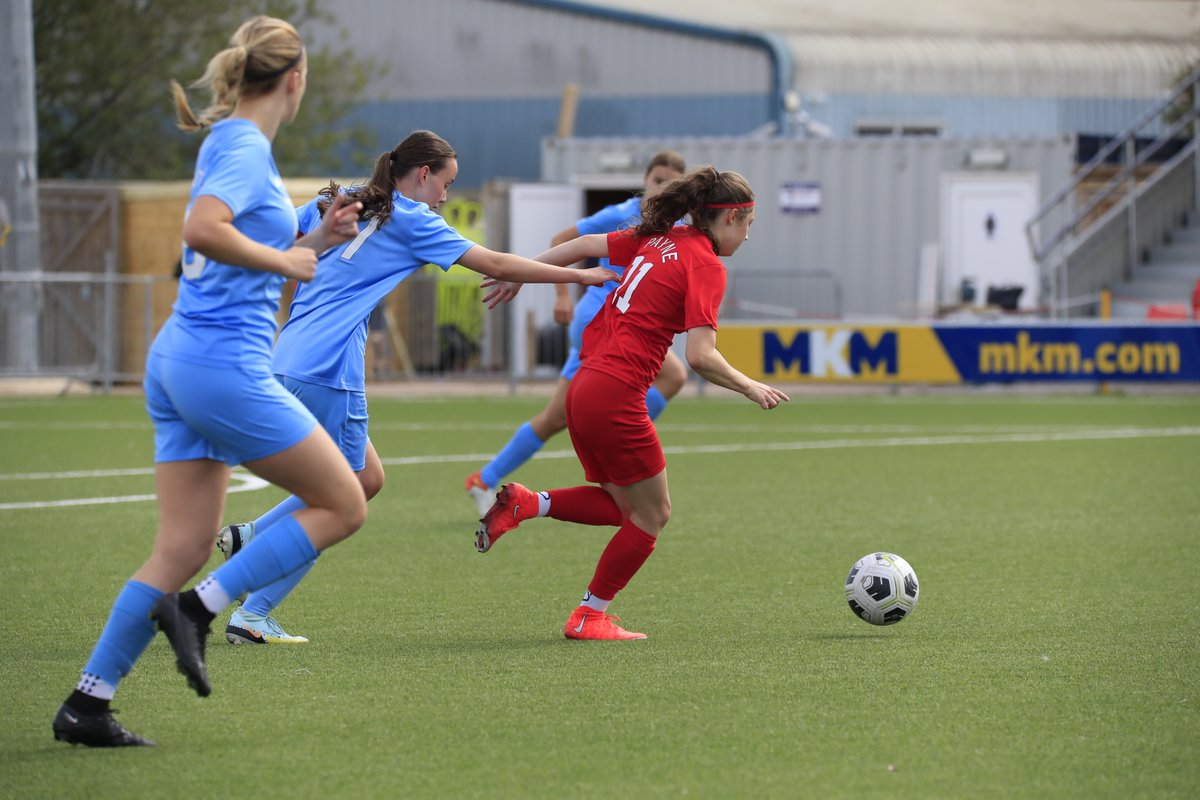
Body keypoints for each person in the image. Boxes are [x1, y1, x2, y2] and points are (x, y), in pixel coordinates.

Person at [51, 16, 370, 748]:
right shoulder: (246, 147)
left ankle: (87, 704)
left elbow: (237, 238)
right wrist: (292, 262)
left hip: (183, 358)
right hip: (220, 366)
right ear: (294, 80)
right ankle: (200, 610)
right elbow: (202, 228)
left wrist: (311, 236)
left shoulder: (228, 138)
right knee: (346, 502)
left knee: (183, 544)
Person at [215, 130, 619, 645]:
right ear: (423, 174)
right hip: (329, 372)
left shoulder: (338, 200)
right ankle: (254, 610)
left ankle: (251, 540)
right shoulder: (414, 220)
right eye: (446, 183)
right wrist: (580, 279)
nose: (446, 196)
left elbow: (276, 235)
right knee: (342, 499)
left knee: (363, 480)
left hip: (286, 359)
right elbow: (493, 264)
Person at [474, 166, 789, 640]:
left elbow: (581, 247)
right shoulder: (705, 264)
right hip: (617, 394)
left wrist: (522, 274)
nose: (746, 237)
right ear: (729, 219)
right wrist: (750, 386)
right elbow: (701, 356)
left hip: (586, 386)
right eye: (748, 225)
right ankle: (588, 616)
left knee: (625, 507)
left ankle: (526, 504)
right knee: (653, 514)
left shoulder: (661, 237)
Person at [464, 151, 689, 517]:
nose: (661, 188)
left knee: (556, 417)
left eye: (670, 183)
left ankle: (485, 479)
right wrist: (562, 294)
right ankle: (611, 441)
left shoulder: (671, 222)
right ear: (645, 181)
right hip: (599, 318)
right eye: (657, 180)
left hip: (613, 321)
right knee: (673, 374)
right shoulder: (623, 212)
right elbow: (564, 237)